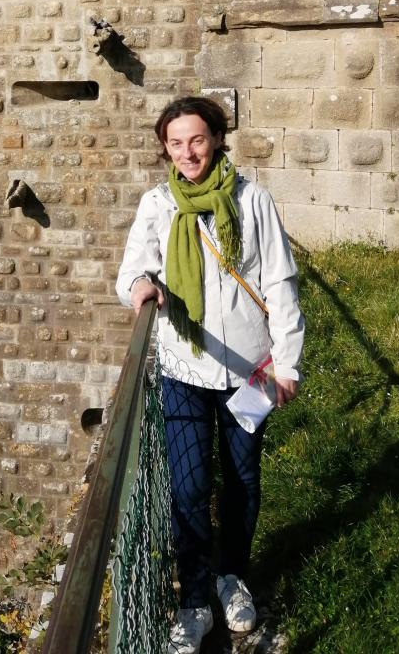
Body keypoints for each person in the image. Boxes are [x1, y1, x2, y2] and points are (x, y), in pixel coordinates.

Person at [115, 96, 304, 654]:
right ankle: (195, 598)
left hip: (249, 370)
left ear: (218, 138)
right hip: (183, 367)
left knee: (243, 482)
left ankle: (233, 578)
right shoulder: (158, 205)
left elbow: (280, 287)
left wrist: (287, 365)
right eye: (175, 143)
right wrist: (140, 289)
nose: (187, 153)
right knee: (190, 487)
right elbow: (130, 271)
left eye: (196, 140)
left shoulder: (252, 201)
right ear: (165, 149)